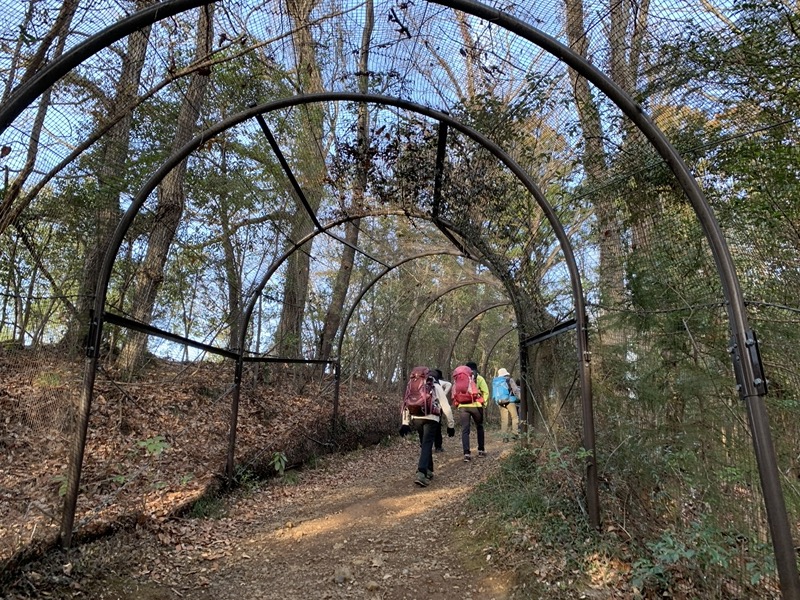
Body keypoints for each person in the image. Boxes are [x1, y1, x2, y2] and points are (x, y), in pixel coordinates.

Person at [399, 367, 455, 487]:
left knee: (424, 443)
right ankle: (421, 472)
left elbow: (406, 403)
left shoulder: (411, 384)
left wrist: (405, 422)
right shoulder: (435, 385)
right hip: (432, 418)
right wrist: (451, 425)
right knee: (427, 444)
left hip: (416, 417)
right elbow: (446, 406)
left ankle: (429, 470)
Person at [455, 361, 489, 461]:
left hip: (463, 406)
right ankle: (481, 450)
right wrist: (483, 403)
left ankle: (466, 453)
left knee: (465, 430)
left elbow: (456, 391)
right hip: (476, 405)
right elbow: (486, 392)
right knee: (479, 427)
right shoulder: (479, 378)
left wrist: (458, 404)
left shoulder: (460, 378)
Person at [492, 367, 521, 442]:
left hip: (500, 402)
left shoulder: (495, 382)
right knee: (514, 417)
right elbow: (515, 390)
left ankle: (504, 437)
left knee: (504, 420)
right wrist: (520, 398)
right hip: (510, 401)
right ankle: (515, 434)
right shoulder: (509, 380)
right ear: (506, 374)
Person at [432, 368, 451, 453]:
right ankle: (438, 446)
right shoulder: (439, 382)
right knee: (437, 427)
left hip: (425, 408)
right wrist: (443, 394)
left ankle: (425, 445)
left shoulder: (425, 381)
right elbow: (449, 384)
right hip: (437, 407)